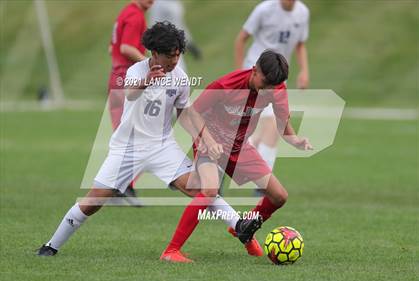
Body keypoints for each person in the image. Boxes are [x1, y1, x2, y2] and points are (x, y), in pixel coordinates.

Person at [37, 22, 261, 263]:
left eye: (177, 55)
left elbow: (185, 113)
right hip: (128, 148)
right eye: (169, 56)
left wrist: (206, 139)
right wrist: (147, 80)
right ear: (154, 53)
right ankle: (51, 245)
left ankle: (240, 224)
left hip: (161, 147)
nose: (174, 60)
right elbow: (129, 92)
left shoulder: (180, 78)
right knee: (93, 201)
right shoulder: (136, 70)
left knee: (202, 188)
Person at [161, 50, 312, 260]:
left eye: (271, 88)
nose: (266, 91)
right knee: (209, 190)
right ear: (254, 70)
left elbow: (282, 121)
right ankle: (171, 250)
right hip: (209, 142)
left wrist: (294, 139)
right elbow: (192, 112)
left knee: (279, 196)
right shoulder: (226, 85)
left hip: (239, 147)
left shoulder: (275, 87)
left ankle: (243, 227)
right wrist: (208, 140)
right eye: (264, 84)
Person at [234, 0, 310, 174]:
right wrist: (239, 74)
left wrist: (304, 71)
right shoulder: (264, 10)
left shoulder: (303, 12)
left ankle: (252, 174)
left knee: (265, 130)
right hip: (256, 74)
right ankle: (261, 180)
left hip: (278, 77)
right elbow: (241, 39)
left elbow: (300, 44)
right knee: (271, 124)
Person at [108, 0, 154, 197]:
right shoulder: (135, 16)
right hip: (127, 80)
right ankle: (122, 184)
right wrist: (151, 64)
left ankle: (122, 184)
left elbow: (113, 48)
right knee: (143, 135)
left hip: (117, 78)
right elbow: (126, 47)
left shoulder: (125, 12)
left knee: (126, 134)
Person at [149, 0, 201, 72]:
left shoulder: (174, 3)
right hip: (163, 46)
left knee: (180, 74)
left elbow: (180, 25)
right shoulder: (163, 5)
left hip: (173, 44)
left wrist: (189, 44)